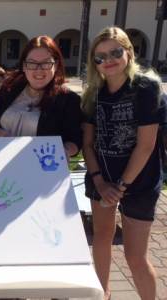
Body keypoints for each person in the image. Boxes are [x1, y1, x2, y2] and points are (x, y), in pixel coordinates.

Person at [81, 26, 164, 300]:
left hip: (139, 181)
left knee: (135, 256)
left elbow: (146, 145)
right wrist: (99, 181)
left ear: (128, 52)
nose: (109, 60)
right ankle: (102, 293)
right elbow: (88, 143)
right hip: (102, 179)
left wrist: (121, 186)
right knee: (101, 237)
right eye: (100, 56)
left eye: (115, 52)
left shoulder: (146, 87)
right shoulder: (94, 92)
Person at [0, 35, 82, 160]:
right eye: (32, 63)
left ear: (55, 65)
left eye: (46, 63)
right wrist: (3, 136)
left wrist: (64, 151)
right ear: (24, 66)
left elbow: (75, 141)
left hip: (41, 169)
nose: (39, 70)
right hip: (0, 164)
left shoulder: (68, 100)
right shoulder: (8, 89)